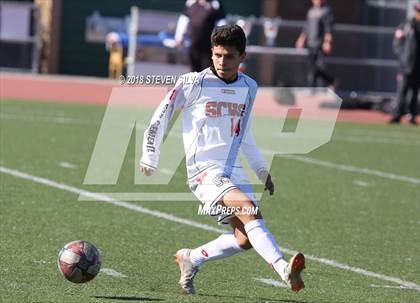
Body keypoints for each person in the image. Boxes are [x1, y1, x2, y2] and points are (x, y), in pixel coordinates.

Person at [140, 25, 305, 295]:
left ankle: (191, 258)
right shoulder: (193, 83)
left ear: (242, 56)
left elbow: (245, 131)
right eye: (217, 55)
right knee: (248, 209)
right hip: (203, 171)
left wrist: (262, 170)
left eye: (229, 56)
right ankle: (283, 269)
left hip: (233, 171)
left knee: (244, 238)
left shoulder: (249, 87)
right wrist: (150, 155)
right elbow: (162, 115)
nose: (221, 61)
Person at [389, 2, 420, 125]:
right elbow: (397, 43)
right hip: (406, 65)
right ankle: (397, 114)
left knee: (415, 92)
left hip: (418, 66)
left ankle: (411, 115)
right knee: (402, 90)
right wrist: (402, 57)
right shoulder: (407, 26)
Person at [175, 0, 226, 72]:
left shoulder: (216, 4)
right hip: (194, 42)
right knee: (194, 69)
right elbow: (184, 19)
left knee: (208, 69)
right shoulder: (191, 3)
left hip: (209, 45)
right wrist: (179, 36)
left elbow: (221, 22)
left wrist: (221, 38)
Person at [296, 0, 337, 88]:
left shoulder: (327, 10)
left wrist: (327, 42)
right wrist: (301, 39)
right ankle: (331, 80)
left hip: (320, 44)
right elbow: (306, 27)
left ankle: (316, 88)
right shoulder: (311, 11)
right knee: (312, 68)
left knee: (318, 67)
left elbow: (328, 28)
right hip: (311, 44)